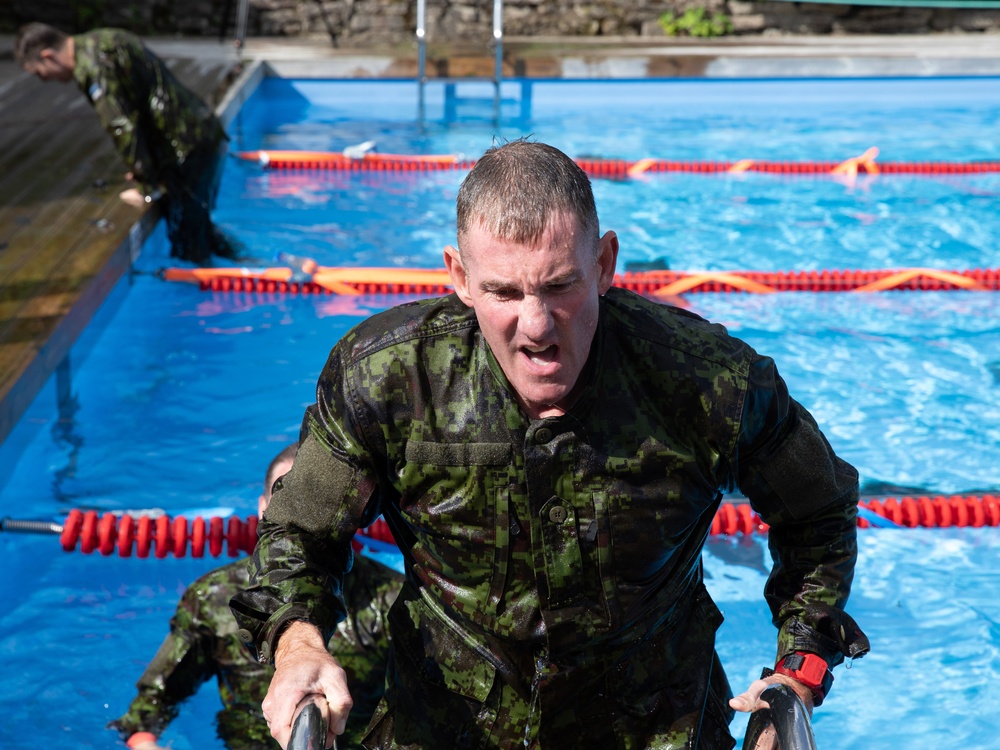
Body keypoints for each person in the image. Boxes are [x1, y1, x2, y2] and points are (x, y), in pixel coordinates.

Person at [230, 139, 870, 750]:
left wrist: (798, 673)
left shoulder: (706, 384)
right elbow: (299, 534)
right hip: (445, 728)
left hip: (656, 729)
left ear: (605, 264)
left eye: (560, 285)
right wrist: (298, 644)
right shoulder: (391, 380)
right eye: (503, 292)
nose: (535, 326)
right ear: (458, 276)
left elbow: (819, 513)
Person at [109, 443, 403, 750]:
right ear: (263, 508)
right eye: (287, 502)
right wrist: (146, 743)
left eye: (318, 504)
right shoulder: (215, 597)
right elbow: (149, 709)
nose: (302, 518)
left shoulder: (392, 599)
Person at [13, 22, 239, 266]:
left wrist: (145, 187)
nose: (45, 80)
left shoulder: (93, 66)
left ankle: (209, 297)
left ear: (48, 56)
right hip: (202, 131)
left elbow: (122, 126)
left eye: (39, 73)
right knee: (198, 225)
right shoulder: (105, 38)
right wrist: (146, 165)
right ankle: (247, 261)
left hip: (184, 147)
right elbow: (141, 100)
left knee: (188, 244)